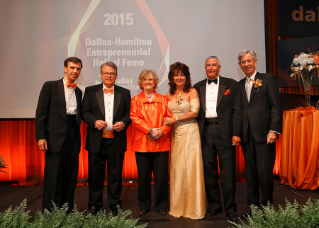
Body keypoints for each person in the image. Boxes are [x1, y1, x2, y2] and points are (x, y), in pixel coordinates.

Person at [194, 56, 241, 222]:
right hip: (205, 133)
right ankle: (214, 207)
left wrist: (236, 133)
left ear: (219, 68)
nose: (211, 68)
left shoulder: (231, 84)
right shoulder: (197, 87)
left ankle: (230, 208)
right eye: (208, 65)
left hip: (226, 135)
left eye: (214, 65)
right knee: (209, 173)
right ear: (205, 67)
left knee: (228, 174)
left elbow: (237, 111)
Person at [81, 61, 131, 216]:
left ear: (116, 76)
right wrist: (94, 122)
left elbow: (129, 114)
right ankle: (95, 205)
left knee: (115, 175)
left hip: (116, 139)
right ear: (101, 75)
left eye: (112, 73)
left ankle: (115, 204)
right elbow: (85, 112)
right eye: (106, 73)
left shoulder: (125, 92)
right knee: (95, 175)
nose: (109, 76)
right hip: (97, 139)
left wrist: (123, 123)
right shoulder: (90, 91)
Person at [237, 50, 282, 217]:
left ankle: (267, 209)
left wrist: (273, 130)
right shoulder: (240, 84)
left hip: (265, 136)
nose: (246, 64)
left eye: (249, 61)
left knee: (265, 175)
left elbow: (276, 106)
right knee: (251, 175)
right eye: (243, 62)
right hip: (247, 137)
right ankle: (253, 208)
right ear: (240, 65)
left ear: (255, 62)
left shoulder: (268, 79)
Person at [35, 57, 83, 213]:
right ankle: (50, 213)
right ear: (65, 68)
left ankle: (67, 211)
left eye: (78, 69)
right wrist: (41, 137)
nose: (75, 71)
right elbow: (41, 114)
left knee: (70, 178)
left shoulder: (78, 91)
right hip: (54, 138)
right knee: (53, 178)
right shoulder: (50, 86)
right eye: (72, 68)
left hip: (73, 137)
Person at [163, 62, 206, 219]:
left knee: (192, 168)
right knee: (178, 169)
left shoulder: (192, 91)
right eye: (176, 74)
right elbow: (164, 117)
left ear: (187, 77)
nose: (179, 77)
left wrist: (174, 119)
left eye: (182, 74)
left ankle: (195, 207)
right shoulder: (168, 95)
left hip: (190, 133)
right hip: (175, 135)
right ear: (171, 77)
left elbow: (194, 112)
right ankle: (178, 205)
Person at [130, 68, 173, 216]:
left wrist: (160, 131)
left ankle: (161, 205)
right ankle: (144, 205)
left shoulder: (163, 99)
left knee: (161, 178)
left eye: (150, 79)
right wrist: (150, 130)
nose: (148, 82)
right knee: (143, 177)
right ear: (141, 82)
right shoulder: (135, 100)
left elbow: (169, 119)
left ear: (155, 82)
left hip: (161, 142)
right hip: (142, 143)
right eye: (145, 79)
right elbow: (134, 118)